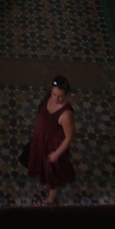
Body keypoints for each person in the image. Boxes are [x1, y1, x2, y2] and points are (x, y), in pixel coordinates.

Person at [27, 75, 76, 205]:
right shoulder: (50, 96)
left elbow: (68, 137)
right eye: (54, 94)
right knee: (43, 167)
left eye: (60, 96)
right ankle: (45, 182)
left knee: (54, 175)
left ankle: (50, 199)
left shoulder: (66, 114)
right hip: (41, 142)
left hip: (53, 148)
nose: (56, 99)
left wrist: (57, 154)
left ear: (66, 95)